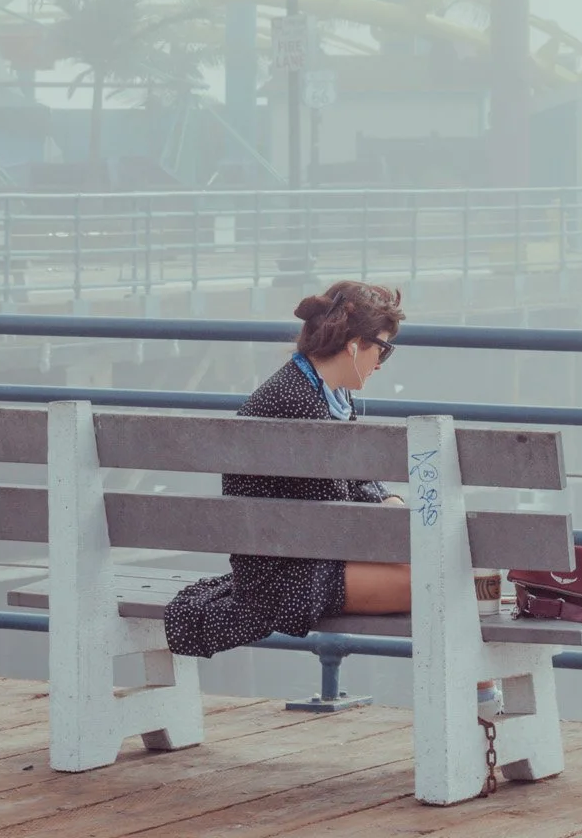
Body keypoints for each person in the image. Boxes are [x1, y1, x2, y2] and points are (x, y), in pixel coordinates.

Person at [162, 280, 410, 658]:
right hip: (287, 581)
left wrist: (386, 500)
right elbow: (340, 521)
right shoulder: (300, 407)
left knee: (430, 567)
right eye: (383, 348)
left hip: (301, 558)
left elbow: (349, 482)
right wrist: (397, 535)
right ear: (355, 344)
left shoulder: (319, 390)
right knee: (434, 580)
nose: (380, 362)